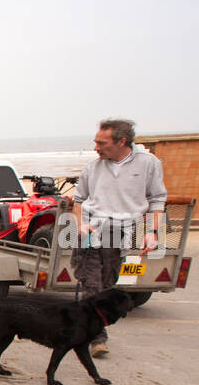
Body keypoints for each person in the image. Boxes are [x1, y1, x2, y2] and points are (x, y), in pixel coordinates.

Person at [70, 118, 166, 356]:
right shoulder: (92, 168)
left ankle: (89, 328)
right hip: (92, 232)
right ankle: (97, 337)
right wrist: (80, 224)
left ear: (122, 141)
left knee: (108, 285)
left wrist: (152, 233)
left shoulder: (148, 164)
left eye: (101, 143)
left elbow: (157, 200)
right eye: (95, 142)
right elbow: (78, 201)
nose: (96, 148)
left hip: (123, 233)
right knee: (91, 284)